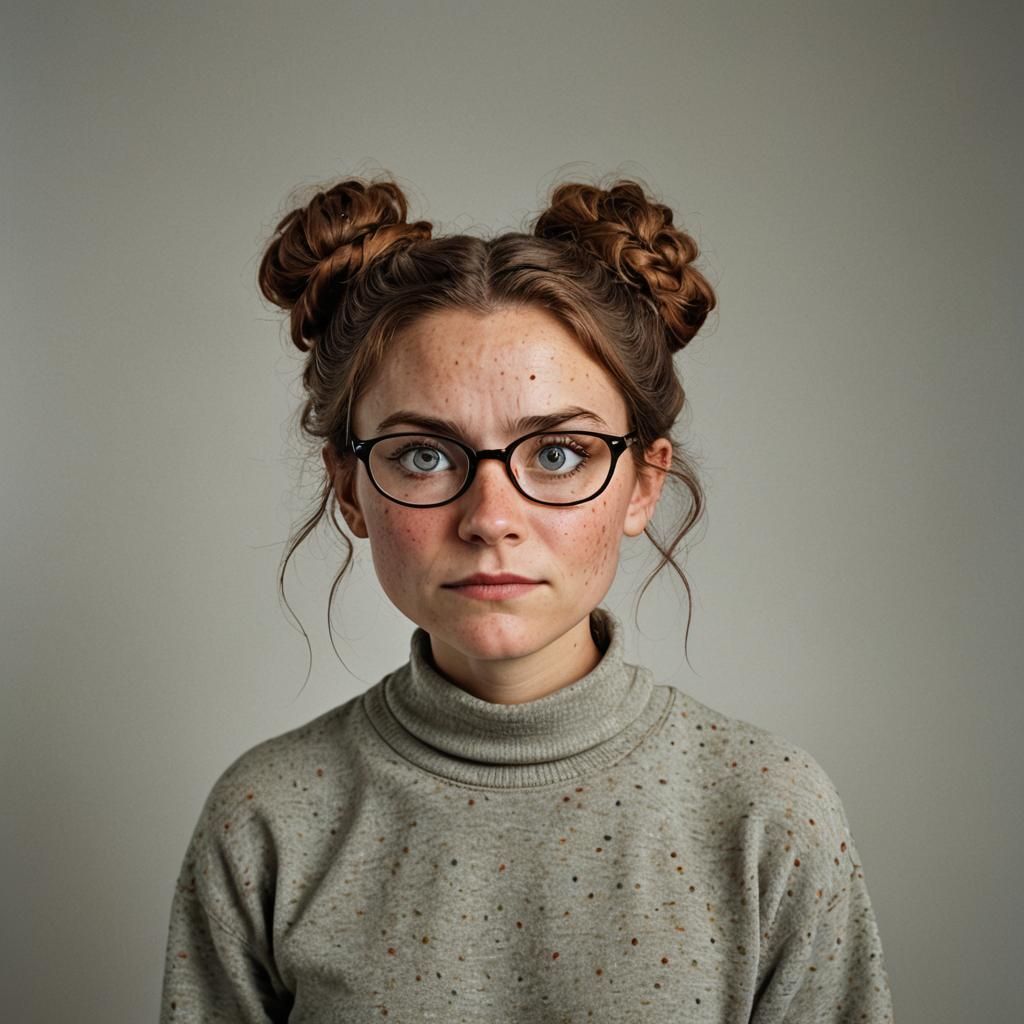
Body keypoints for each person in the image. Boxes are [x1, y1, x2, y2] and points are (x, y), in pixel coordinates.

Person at [159, 175, 894, 1022]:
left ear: (643, 483)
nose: (490, 519)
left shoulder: (767, 814)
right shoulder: (268, 820)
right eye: (424, 455)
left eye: (557, 453)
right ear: (349, 488)